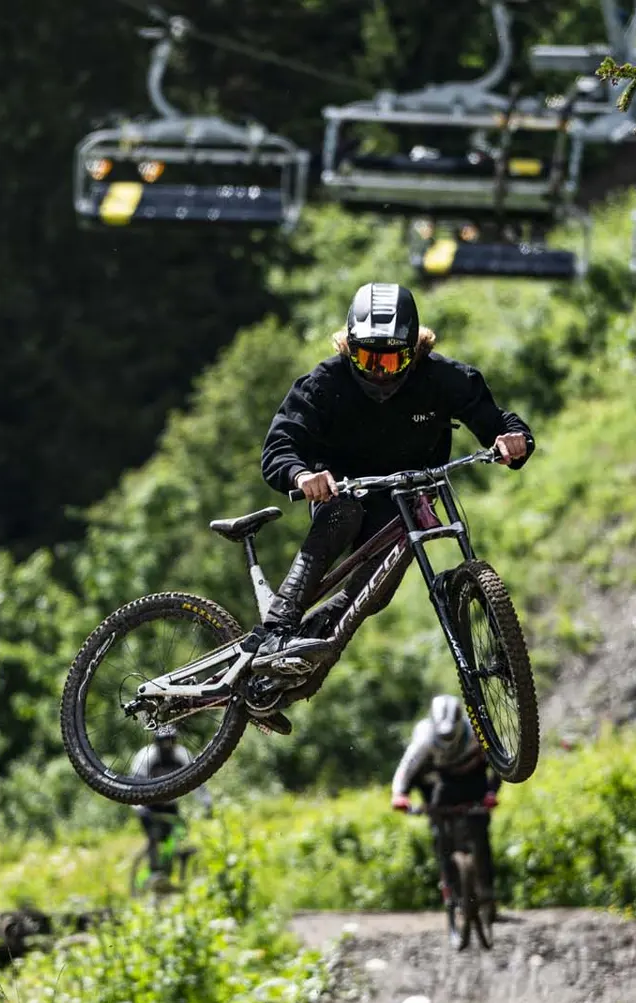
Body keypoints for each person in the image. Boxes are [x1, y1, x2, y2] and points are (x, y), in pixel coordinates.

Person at [253, 281, 534, 671]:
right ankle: (276, 629)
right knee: (344, 513)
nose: (380, 375)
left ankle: (302, 656)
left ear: (413, 353)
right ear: (349, 349)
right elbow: (280, 445)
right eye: (368, 361)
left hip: (403, 501)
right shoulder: (323, 384)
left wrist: (513, 441)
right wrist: (301, 476)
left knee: (374, 595)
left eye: (391, 362)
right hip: (343, 493)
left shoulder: (444, 379)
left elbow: (498, 422)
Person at [391, 694, 498, 916]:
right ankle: (451, 890)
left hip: (475, 777)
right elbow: (406, 769)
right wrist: (400, 795)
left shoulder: (478, 731)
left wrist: (491, 793)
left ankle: (487, 891)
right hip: (443, 781)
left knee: (480, 831)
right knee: (441, 835)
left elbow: (499, 762)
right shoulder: (424, 738)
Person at [130, 727, 212, 888]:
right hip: (149, 807)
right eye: (163, 743)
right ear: (156, 743)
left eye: (171, 742)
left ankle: (170, 874)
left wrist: (207, 804)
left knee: (177, 838)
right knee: (154, 836)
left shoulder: (182, 755)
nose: (167, 747)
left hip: (170, 806)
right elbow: (134, 786)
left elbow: (197, 781)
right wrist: (139, 808)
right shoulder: (145, 757)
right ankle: (154, 873)